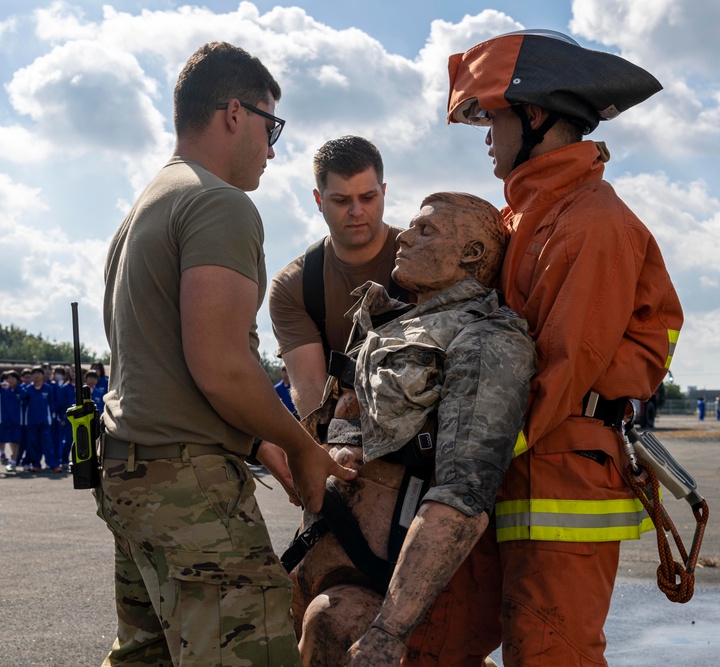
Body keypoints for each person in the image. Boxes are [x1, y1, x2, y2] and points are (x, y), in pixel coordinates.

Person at [100, 41, 354, 666]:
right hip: (187, 488)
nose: (273, 149)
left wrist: (253, 442)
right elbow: (219, 366)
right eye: (274, 127)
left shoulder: (151, 201)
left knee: (147, 656)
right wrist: (301, 445)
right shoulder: (218, 202)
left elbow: (166, 366)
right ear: (235, 114)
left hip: (133, 473)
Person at [443, 29, 684, 665]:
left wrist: (465, 460)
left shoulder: (590, 221)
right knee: (431, 644)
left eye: (492, 118)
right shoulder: (524, 217)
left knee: (551, 654)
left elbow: (562, 366)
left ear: (536, 115)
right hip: (506, 476)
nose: (487, 136)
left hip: (561, 488)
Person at [291, 192, 533, 666]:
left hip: (366, 590)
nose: (404, 235)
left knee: (333, 621)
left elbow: (463, 496)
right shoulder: (386, 323)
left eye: (426, 230)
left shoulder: (487, 339)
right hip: (314, 566)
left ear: (472, 253)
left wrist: (390, 629)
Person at [269, 136, 407, 420]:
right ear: (319, 201)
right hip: (344, 435)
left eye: (368, 198)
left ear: (383, 192)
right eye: (341, 200)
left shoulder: (428, 259)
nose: (357, 212)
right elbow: (311, 391)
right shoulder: (293, 286)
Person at [0, 370, 24, 472]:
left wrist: (18, 388)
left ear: (17, 380)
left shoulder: (19, 390)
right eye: (8, 378)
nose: (10, 380)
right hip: (4, 421)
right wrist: (0, 384)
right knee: (0, 442)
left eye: (13, 378)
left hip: (16, 421)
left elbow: (26, 395)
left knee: (16, 442)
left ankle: (13, 463)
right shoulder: (0, 391)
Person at [21, 367, 56, 473]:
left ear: (42, 375)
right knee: (33, 444)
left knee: (47, 444)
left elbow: (52, 404)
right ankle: (36, 464)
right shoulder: (28, 389)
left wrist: (53, 417)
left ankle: (53, 465)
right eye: (34, 373)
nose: (36, 375)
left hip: (45, 422)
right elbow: (23, 402)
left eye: (38, 373)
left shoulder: (48, 388)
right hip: (31, 422)